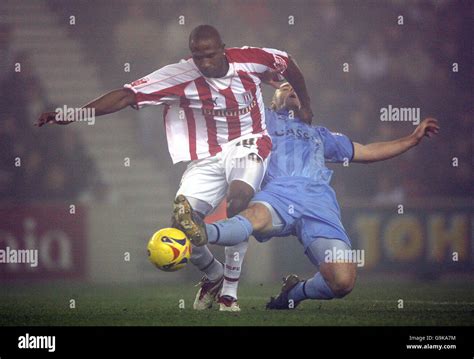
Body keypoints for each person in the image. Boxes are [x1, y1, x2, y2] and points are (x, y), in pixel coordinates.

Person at [35, 25, 313, 311]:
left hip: (250, 142)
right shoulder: (180, 75)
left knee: (238, 198)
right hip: (207, 156)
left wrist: (305, 104)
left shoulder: (251, 58)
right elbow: (126, 95)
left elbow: (289, 64)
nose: (204, 63)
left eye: (209, 55)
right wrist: (75, 113)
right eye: (198, 56)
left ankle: (230, 292)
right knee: (180, 227)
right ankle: (214, 274)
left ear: (222, 49)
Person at [174, 82, 440, 309]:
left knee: (343, 281)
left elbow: (366, 151)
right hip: (277, 194)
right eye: (283, 87)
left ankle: (294, 293)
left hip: (319, 204)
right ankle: (203, 232)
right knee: (253, 215)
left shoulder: (320, 135)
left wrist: (411, 140)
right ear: (272, 99)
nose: (290, 89)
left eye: (295, 88)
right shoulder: (260, 120)